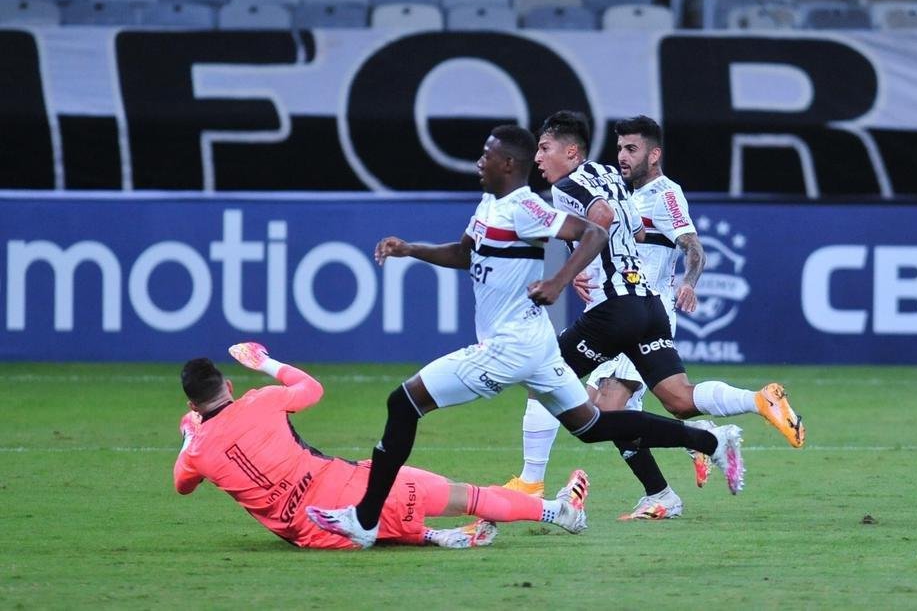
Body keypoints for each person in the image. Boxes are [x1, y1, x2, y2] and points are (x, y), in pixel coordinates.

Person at [306, 125, 746, 548]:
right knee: (591, 425)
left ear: (508, 164)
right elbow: (463, 253)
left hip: (508, 348)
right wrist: (410, 250)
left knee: (402, 403)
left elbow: (594, 230)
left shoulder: (525, 208)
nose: (480, 161)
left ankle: (365, 519)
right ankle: (708, 440)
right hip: (536, 347)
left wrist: (558, 281)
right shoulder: (487, 205)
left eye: (487, 155)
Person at [502, 111, 804, 520]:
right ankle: (705, 448)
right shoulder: (613, 179)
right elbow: (630, 230)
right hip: (645, 306)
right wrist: (588, 266)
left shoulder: (584, 184)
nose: (538, 157)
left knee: (549, 381)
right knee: (673, 401)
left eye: (544, 148)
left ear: (570, 151)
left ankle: (531, 481)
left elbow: (610, 222)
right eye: (621, 147)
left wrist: (566, 274)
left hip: (617, 310)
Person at [174, 342, 591, 549]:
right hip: (355, 494)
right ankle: (559, 512)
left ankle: (431, 537)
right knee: (470, 496)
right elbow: (310, 388)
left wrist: (190, 433)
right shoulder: (262, 399)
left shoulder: (196, 449)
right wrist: (265, 363)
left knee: (382, 520)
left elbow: (182, 485)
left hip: (315, 532)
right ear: (228, 385)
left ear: (193, 404)